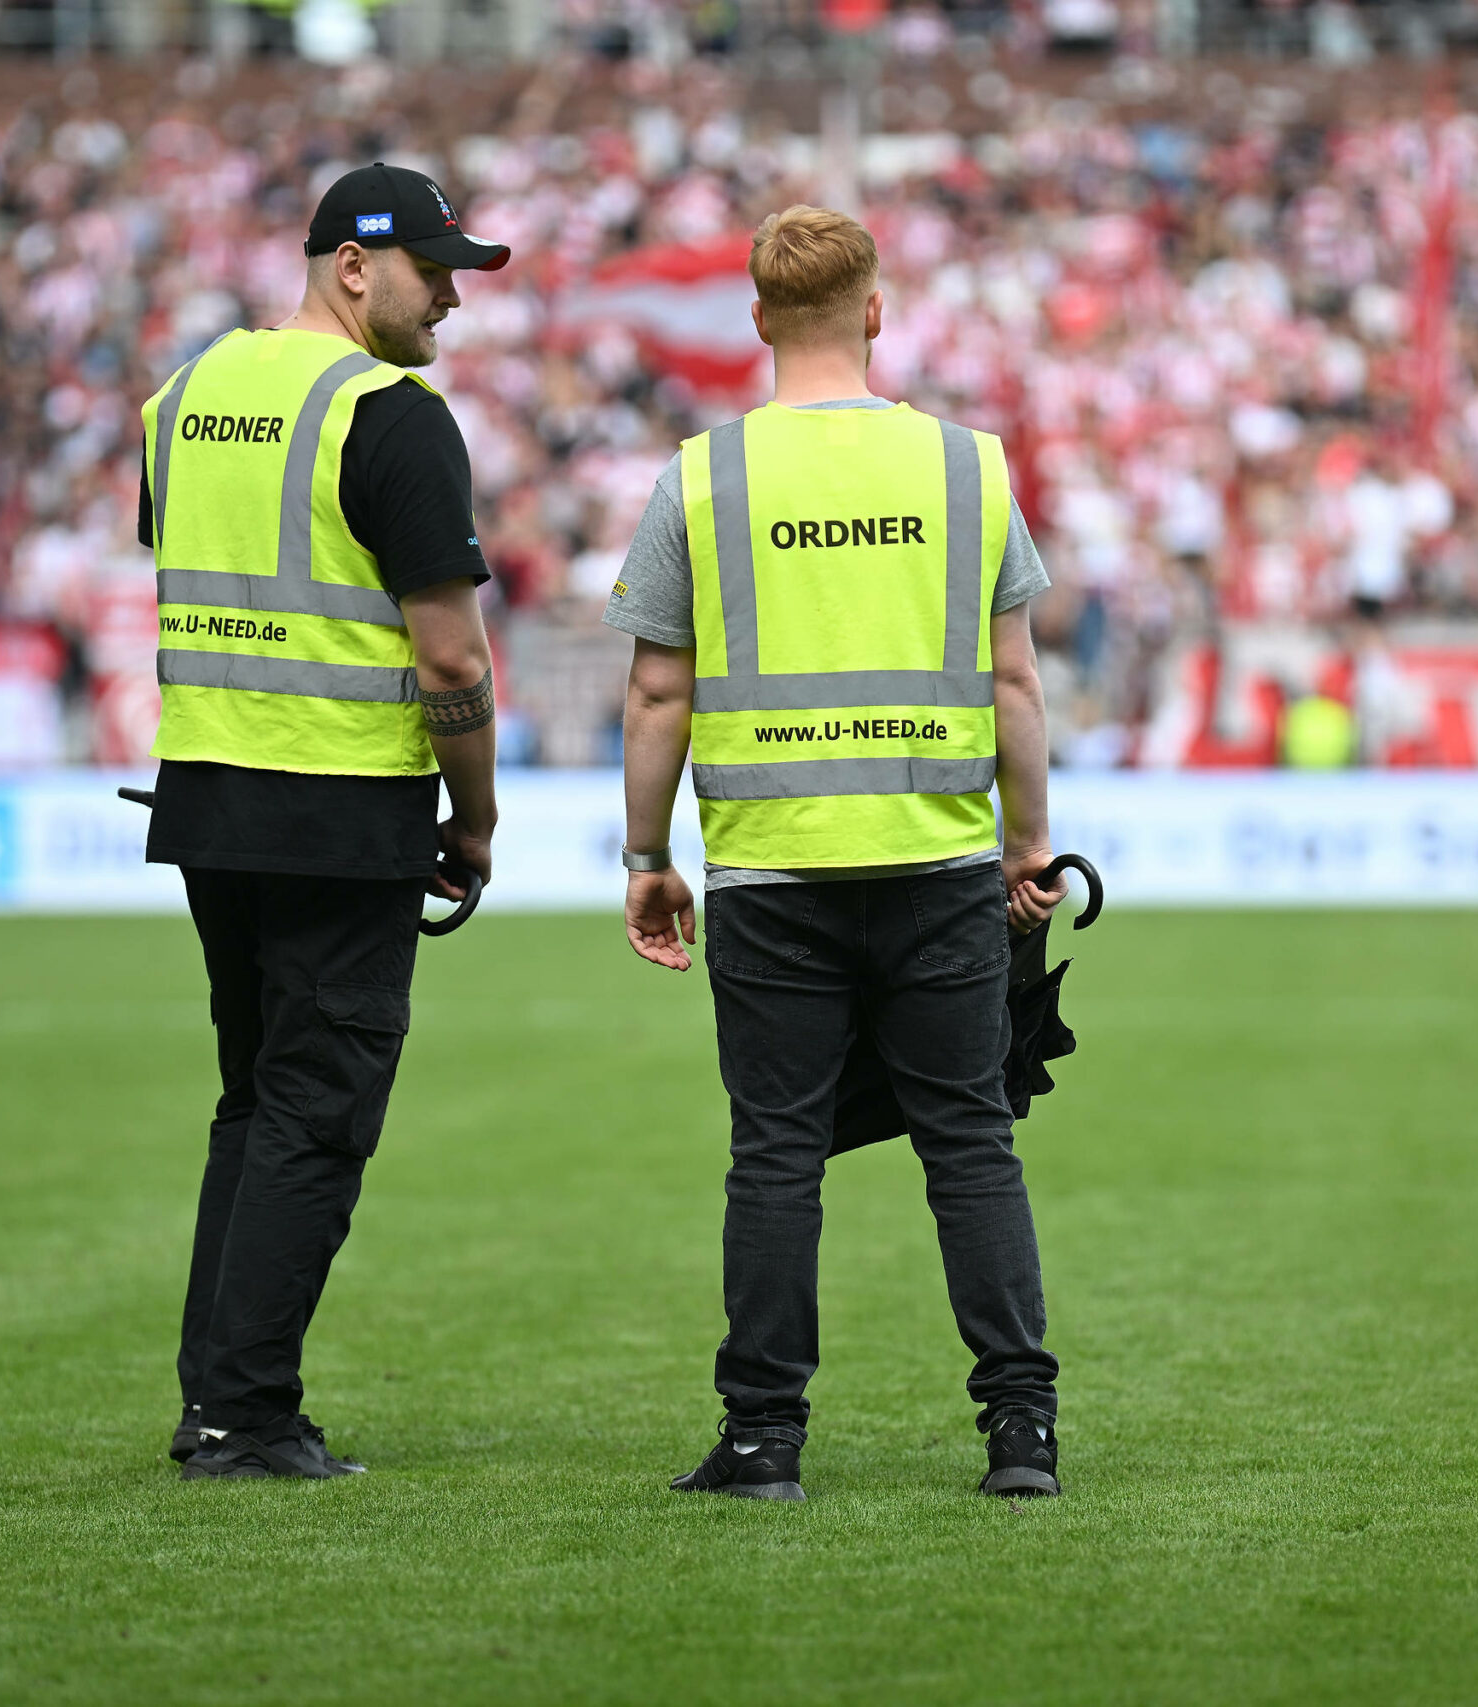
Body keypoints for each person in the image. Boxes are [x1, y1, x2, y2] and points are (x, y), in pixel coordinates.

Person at [605, 206, 1069, 1503]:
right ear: (876, 312)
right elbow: (1014, 683)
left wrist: (647, 852)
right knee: (970, 1144)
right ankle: (1021, 1434)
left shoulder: (701, 479)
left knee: (776, 1155)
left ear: (758, 322)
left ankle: (764, 1440)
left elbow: (655, 697)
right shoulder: (969, 468)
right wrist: (1026, 842)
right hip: (935, 865)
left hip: (771, 874)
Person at [136, 164, 509, 1479]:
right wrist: (475, 817)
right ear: (353, 266)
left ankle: (218, 1400)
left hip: (207, 793)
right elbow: (452, 662)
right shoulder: (391, 413)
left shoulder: (181, 397)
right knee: (316, 1113)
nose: (451, 300)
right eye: (436, 270)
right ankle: (242, 1412)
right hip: (341, 803)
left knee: (255, 1102)